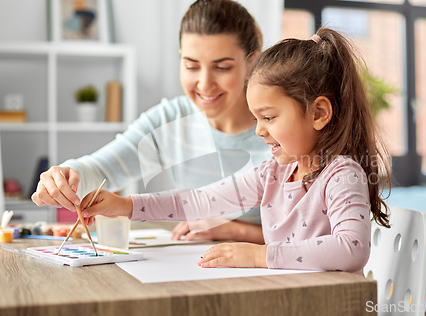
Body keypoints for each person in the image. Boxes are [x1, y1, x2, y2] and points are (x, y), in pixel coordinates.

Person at [80, 27, 392, 274]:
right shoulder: (274, 173)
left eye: (269, 117)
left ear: (319, 113)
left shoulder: (342, 174)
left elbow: (351, 249)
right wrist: (125, 206)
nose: (259, 130)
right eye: (257, 118)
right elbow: (200, 200)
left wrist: (259, 255)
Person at [31, 0, 269, 244]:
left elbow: (307, 234)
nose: (205, 84)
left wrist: (237, 231)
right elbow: (103, 169)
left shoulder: (279, 130)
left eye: (222, 67)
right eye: (191, 66)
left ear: (252, 62)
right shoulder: (171, 120)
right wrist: (66, 177)